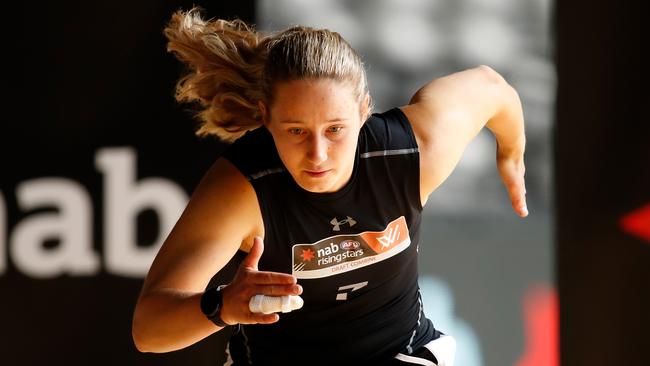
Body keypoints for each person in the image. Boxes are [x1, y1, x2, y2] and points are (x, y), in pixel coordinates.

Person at [131, 6, 527, 366]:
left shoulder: (415, 153)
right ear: (266, 118)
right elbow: (148, 330)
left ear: (363, 110)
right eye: (296, 130)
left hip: (401, 354)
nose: (317, 154)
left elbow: (492, 87)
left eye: (335, 129)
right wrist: (222, 306)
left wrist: (511, 155)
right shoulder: (243, 189)